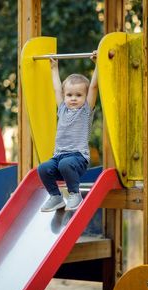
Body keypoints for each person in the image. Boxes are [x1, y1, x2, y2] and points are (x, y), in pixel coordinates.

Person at [38, 51, 98, 212]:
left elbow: (93, 86)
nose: (73, 98)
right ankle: (56, 197)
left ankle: (74, 194)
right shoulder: (63, 109)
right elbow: (57, 89)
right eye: (69, 95)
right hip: (59, 157)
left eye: (78, 95)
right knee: (43, 168)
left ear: (85, 98)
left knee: (66, 164)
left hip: (78, 159)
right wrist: (54, 68)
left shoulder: (85, 111)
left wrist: (98, 65)